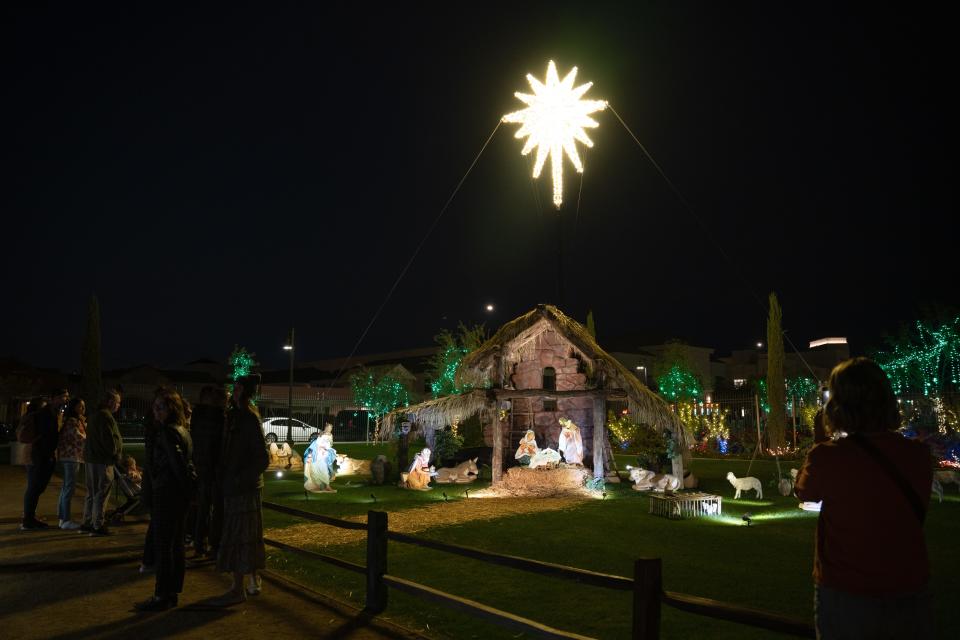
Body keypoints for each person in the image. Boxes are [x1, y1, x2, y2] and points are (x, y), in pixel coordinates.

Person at [795, 357, 934, 639]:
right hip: (909, 585)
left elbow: (805, 491)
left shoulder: (829, 456)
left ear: (838, 406)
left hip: (847, 590)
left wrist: (821, 442)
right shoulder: (918, 455)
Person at [135, 388, 194, 612]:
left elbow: (177, 464)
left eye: (160, 407)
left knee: (165, 546)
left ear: (171, 408)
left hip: (168, 493)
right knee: (176, 545)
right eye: (154, 407)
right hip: (177, 494)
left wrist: (164, 483)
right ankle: (171, 592)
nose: (155, 412)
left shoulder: (167, 432)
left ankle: (162, 595)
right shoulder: (182, 430)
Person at [213, 374, 269, 605]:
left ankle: (239, 588)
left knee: (241, 536)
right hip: (235, 485)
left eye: (237, 389)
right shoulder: (235, 417)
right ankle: (251, 581)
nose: (233, 392)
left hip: (243, 488)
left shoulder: (248, 418)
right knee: (245, 535)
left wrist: (239, 479)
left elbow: (262, 459)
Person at [21, 389, 68, 530]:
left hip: (43, 455)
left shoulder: (53, 413)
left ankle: (29, 517)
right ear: (53, 398)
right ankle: (28, 520)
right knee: (34, 488)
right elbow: (46, 436)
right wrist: (47, 455)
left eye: (66, 397)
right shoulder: (45, 413)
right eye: (62, 397)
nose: (65, 400)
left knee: (36, 488)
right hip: (40, 456)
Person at [190, 385, 227, 558]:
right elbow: (220, 444)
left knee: (203, 508)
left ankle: (199, 544)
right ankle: (214, 545)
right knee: (217, 509)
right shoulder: (219, 417)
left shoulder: (198, 415)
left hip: (202, 466)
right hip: (216, 468)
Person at [81, 389, 122, 536]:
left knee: (91, 492)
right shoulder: (106, 417)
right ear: (110, 402)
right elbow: (110, 441)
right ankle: (98, 524)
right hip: (102, 461)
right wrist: (116, 453)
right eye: (117, 402)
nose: (118, 406)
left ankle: (87, 521)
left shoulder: (94, 415)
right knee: (101, 493)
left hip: (91, 459)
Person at [56, 397, 87, 530]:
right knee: (69, 489)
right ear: (74, 407)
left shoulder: (72, 421)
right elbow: (79, 438)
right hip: (72, 457)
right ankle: (65, 519)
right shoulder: (72, 421)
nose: (83, 409)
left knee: (66, 488)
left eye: (83, 406)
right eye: (80, 406)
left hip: (70, 457)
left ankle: (62, 518)